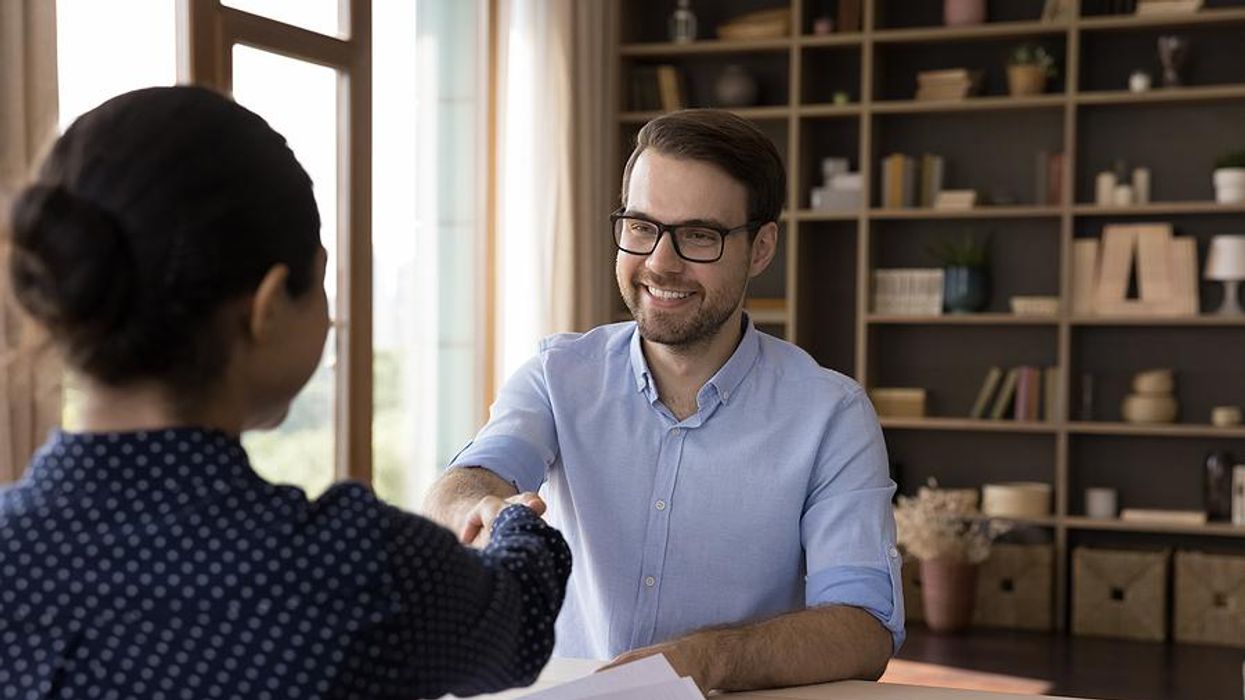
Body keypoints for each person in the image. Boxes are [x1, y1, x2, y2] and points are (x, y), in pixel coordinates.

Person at [0, 86, 570, 698]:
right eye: (321, 283)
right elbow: (517, 622)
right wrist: (519, 525)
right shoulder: (355, 566)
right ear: (268, 306)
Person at [425, 109, 904, 693]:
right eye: (641, 226)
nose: (659, 262)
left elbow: (864, 627)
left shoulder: (833, 416)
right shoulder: (558, 375)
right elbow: (466, 482)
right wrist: (477, 507)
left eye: (699, 235)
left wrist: (707, 659)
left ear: (760, 249)